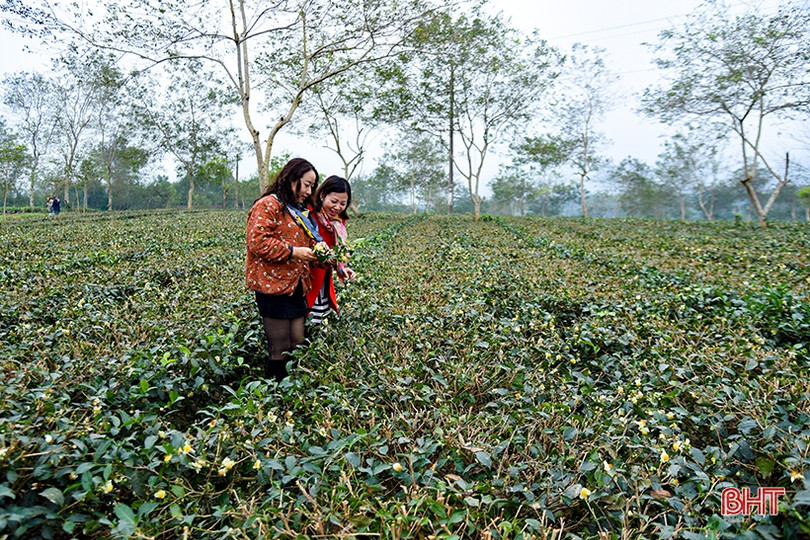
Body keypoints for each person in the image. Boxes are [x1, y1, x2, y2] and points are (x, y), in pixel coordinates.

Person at [245, 157, 323, 382]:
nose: (309, 191)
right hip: (273, 286)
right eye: (307, 185)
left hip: (297, 285)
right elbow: (258, 242)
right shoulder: (269, 205)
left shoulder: (298, 211)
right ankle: (274, 397)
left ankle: (291, 392)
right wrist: (294, 251)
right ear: (291, 180)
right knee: (279, 347)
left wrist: (323, 257)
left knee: (297, 342)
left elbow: (308, 244)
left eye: (312, 186)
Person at [306, 175, 356, 325]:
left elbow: (338, 250)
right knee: (304, 322)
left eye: (342, 203)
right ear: (322, 195)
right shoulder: (308, 214)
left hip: (323, 278)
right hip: (306, 278)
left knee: (320, 323)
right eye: (333, 201)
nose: (337, 207)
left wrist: (341, 268)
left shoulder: (339, 222)